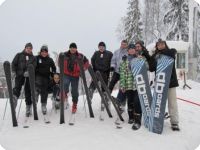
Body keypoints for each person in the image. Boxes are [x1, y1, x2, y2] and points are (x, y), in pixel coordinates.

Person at [149, 39, 180, 131]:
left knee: (172, 103)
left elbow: (173, 52)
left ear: (165, 44)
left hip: (170, 82)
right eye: (159, 44)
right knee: (159, 102)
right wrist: (153, 58)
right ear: (157, 46)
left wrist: (161, 54)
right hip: (160, 83)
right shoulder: (155, 55)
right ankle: (158, 119)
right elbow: (151, 68)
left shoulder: (170, 52)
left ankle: (174, 122)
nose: (160, 45)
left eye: (162, 44)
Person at [119, 44, 142, 130]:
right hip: (128, 85)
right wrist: (122, 85)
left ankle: (137, 121)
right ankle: (131, 117)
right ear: (128, 51)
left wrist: (141, 59)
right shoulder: (124, 61)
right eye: (130, 49)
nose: (132, 50)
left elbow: (145, 68)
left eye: (133, 49)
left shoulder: (139, 58)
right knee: (130, 101)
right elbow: (122, 74)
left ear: (135, 50)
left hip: (137, 84)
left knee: (137, 102)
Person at [88, 42, 113, 119]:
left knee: (104, 88)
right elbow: (92, 60)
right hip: (97, 72)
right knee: (93, 84)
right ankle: (90, 95)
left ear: (105, 47)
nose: (101, 48)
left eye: (102, 46)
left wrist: (111, 68)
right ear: (98, 47)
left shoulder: (109, 53)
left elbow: (112, 61)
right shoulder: (96, 53)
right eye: (100, 47)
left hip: (105, 73)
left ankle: (104, 101)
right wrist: (94, 68)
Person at [63, 43, 89, 114]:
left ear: (76, 48)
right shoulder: (64, 54)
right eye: (71, 48)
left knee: (74, 91)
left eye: (74, 48)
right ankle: (65, 97)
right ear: (69, 48)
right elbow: (59, 61)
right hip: (66, 74)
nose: (72, 49)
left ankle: (74, 104)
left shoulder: (80, 56)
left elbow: (87, 63)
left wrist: (82, 69)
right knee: (65, 84)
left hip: (75, 75)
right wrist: (62, 67)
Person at [12, 42, 36, 117]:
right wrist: (13, 71)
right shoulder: (19, 55)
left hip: (28, 77)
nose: (29, 49)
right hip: (19, 75)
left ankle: (28, 107)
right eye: (27, 48)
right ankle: (14, 100)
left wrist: (29, 72)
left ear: (32, 49)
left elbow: (34, 66)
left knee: (28, 91)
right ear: (25, 48)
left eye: (30, 48)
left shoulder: (33, 57)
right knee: (17, 87)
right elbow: (13, 63)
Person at [35, 45, 56, 115]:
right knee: (38, 83)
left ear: (47, 52)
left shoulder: (50, 59)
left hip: (46, 76)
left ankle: (43, 105)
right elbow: (32, 65)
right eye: (42, 51)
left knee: (45, 89)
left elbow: (54, 68)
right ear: (40, 52)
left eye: (45, 52)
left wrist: (53, 73)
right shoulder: (37, 58)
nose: (44, 53)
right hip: (38, 75)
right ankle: (36, 96)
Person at [109, 40, 128, 109]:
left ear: (127, 45)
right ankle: (107, 95)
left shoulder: (128, 52)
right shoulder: (117, 51)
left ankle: (121, 101)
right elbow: (113, 60)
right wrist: (112, 66)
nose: (123, 46)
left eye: (125, 44)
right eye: (122, 44)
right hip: (117, 71)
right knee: (112, 83)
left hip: (125, 72)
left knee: (123, 86)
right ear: (121, 44)